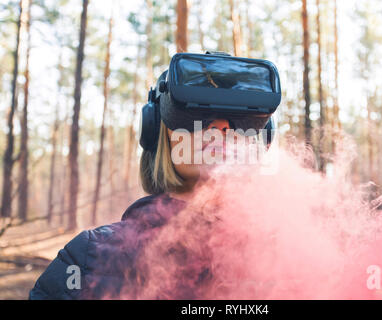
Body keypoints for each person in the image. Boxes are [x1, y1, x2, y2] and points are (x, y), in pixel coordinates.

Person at [29, 52, 281, 299]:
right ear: (155, 132)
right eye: (196, 111)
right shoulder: (88, 258)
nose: (220, 126)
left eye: (241, 116)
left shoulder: (286, 254)